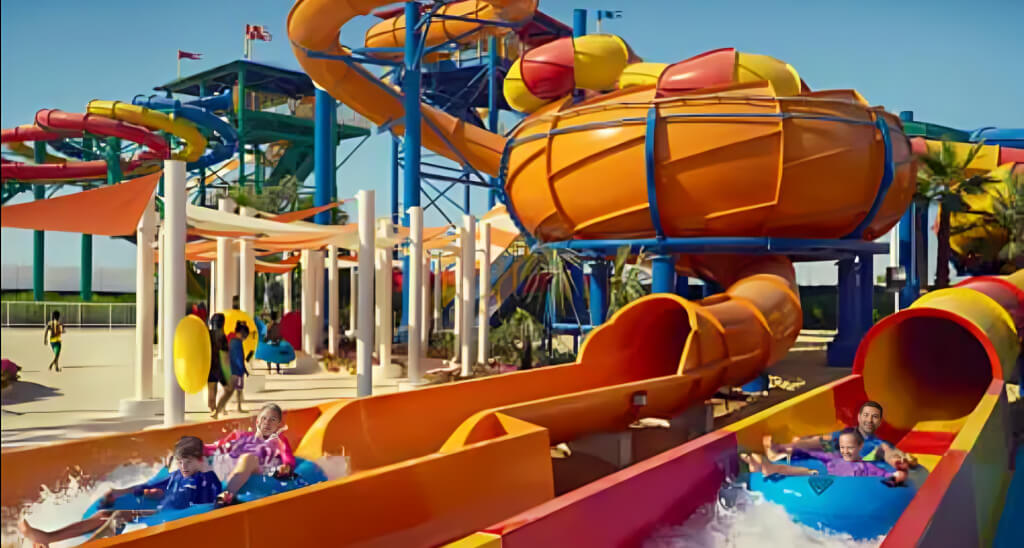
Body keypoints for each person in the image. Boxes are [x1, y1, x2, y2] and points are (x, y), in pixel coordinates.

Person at [17, 436, 221, 546]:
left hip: (175, 518)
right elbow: (150, 487)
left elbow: (207, 503)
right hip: (161, 512)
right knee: (103, 514)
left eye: (189, 461)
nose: (183, 466)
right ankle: (48, 537)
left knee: (119, 516)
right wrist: (120, 492)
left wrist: (205, 473)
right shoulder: (177, 476)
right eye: (180, 461)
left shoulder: (206, 480)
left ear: (200, 460)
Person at [767, 401, 917, 466]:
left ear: (879, 422)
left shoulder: (877, 443)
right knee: (826, 441)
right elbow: (826, 441)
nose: (869, 420)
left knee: (884, 449)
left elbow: (888, 450)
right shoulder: (846, 434)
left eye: (874, 417)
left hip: (863, 462)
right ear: (859, 417)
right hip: (836, 456)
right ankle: (782, 448)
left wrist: (900, 457)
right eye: (866, 415)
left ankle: (899, 461)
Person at [206, 403, 297, 507]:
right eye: (264, 418)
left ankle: (228, 495)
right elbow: (219, 446)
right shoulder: (241, 435)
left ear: (278, 425)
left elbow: (288, 458)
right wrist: (200, 450)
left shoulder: (279, 441)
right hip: (236, 465)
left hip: (261, 466)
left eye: (273, 420)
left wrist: (286, 467)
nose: (267, 422)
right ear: (257, 421)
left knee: (248, 458)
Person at [743, 429, 909, 484]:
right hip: (827, 478)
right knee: (806, 471)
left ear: (859, 447)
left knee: (811, 472)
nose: (845, 451)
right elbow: (809, 453)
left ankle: (768, 466)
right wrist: (789, 449)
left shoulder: (868, 466)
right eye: (843, 448)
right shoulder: (833, 458)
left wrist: (897, 476)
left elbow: (887, 475)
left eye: (849, 448)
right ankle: (767, 467)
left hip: (846, 487)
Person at [212, 322, 249, 419]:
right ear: (241, 333)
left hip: (231, 370)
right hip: (234, 372)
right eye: (245, 336)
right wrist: (242, 370)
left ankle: (217, 411)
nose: (244, 338)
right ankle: (217, 411)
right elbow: (237, 358)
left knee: (228, 392)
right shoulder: (236, 342)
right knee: (228, 392)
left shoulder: (233, 341)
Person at [207, 314, 229, 413]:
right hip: (219, 366)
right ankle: (219, 407)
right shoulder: (222, 336)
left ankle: (212, 407)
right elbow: (225, 352)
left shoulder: (208, 333)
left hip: (209, 365)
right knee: (227, 388)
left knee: (211, 388)